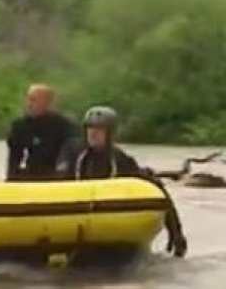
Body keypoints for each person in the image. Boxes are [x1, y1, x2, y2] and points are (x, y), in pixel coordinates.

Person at [56, 106, 188, 257]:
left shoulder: (121, 159)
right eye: (90, 128)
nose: (93, 133)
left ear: (109, 133)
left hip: (110, 219)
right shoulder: (72, 151)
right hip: (74, 215)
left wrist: (175, 233)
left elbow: (156, 191)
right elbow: (58, 181)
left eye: (99, 129)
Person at [6, 84, 77, 181]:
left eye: (33, 100)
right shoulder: (20, 126)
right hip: (32, 172)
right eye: (28, 99)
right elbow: (14, 158)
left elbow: (70, 155)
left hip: (56, 173)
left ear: (48, 103)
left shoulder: (64, 126)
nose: (29, 104)